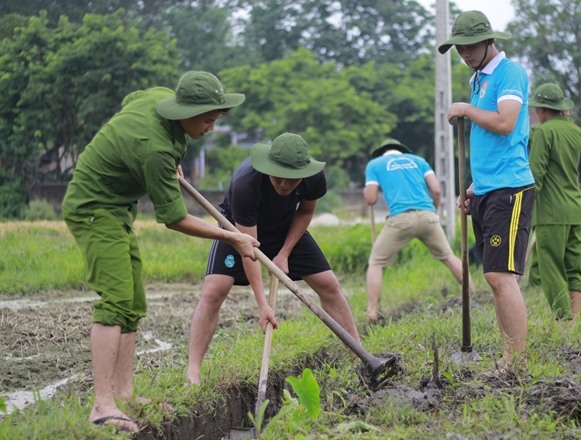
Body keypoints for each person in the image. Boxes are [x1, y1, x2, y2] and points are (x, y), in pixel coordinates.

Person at [62, 71, 259, 432]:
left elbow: (129, 103)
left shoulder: (159, 99)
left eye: (216, 120)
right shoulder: (154, 149)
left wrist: (163, 164)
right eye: (207, 120)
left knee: (134, 301)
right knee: (117, 300)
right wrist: (231, 237)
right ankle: (102, 404)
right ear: (184, 111)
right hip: (93, 208)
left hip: (118, 209)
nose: (212, 128)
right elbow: (175, 219)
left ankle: (125, 393)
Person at [186, 133, 361, 385]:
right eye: (278, 176)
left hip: (285, 226)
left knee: (329, 283)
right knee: (214, 290)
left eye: (292, 179)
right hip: (237, 228)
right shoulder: (247, 183)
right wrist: (262, 304)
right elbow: (249, 249)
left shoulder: (313, 178)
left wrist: (284, 253)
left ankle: (359, 356)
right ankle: (193, 371)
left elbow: (307, 211)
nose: (284, 184)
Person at [439, 10, 534, 369]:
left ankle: (516, 360)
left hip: (510, 188)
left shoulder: (509, 72)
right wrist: (473, 187)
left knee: (498, 275)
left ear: (488, 40)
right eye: (459, 49)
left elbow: (506, 123)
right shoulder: (478, 78)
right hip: (488, 188)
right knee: (494, 277)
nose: (465, 54)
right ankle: (509, 354)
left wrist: (465, 109)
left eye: (470, 46)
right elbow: (487, 141)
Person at [363, 139, 474, 324]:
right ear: (402, 151)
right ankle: (472, 292)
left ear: (382, 153)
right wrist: (433, 212)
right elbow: (437, 190)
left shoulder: (375, 164)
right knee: (448, 256)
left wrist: (367, 193)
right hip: (428, 215)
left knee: (376, 262)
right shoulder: (419, 160)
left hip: (400, 219)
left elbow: (371, 199)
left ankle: (373, 310)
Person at [528, 83, 581, 321]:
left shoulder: (543, 132)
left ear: (542, 109)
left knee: (550, 266)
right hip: (574, 206)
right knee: (573, 266)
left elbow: (536, 174)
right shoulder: (577, 132)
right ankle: (574, 319)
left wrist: (525, 208)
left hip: (551, 210)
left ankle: (564, 321)